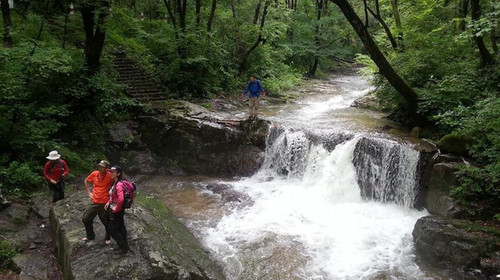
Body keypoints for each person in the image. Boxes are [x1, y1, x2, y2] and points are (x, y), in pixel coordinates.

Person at [82, 160, 113, 244]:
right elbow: (86, 181)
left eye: (102, 167)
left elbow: (116, 185)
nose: (100, 168)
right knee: (85, 218)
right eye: (99, 166)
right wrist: (89, 192)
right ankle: (90, 236)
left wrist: (111, 199)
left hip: (104, 202)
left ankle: (108, 236)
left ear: (106, 169)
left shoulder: (110, 176)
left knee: (105, 220)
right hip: (95, 201)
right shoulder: (94, 173)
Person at [105, 166, 128, 256]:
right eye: (111, 172)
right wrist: (108, 202)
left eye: (113, 172)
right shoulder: (116, 183)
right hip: (118, 209)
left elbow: (121, 199)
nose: (111, 173)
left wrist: (116, 208)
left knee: (112, 229)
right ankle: (123, 245)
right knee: (120, 227)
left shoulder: (118, 184)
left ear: (118, 174)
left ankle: (123, 247)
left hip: (117, 210)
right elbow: (113, 196)